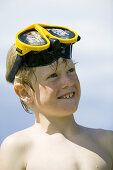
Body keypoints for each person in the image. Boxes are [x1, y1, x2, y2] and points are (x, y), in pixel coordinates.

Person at [0, 23, 113, 170]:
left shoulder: (107, 142)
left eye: (71, 70)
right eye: (53, 75)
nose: (67, 82)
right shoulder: (18, 147)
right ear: (25, 93)